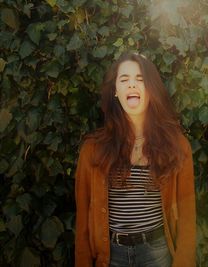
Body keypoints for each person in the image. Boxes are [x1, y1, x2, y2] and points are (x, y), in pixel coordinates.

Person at [74, 52, 196, 267]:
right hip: (111, 256)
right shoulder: (92, 149)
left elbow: (187, 216)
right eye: (124, 80)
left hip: (157, 254)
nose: (132, 85)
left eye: (140, 79)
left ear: (151, 89)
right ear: (115, 91)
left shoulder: (177, 146)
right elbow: (83, 219)